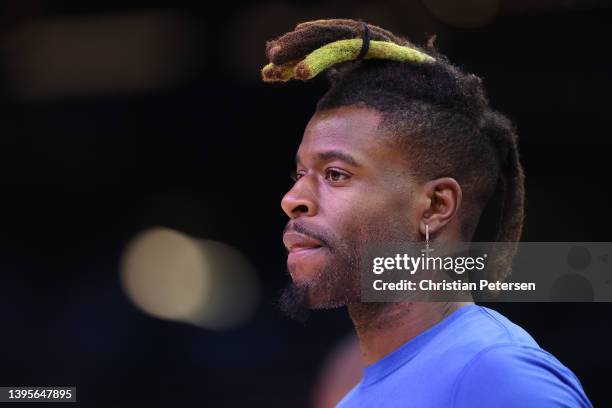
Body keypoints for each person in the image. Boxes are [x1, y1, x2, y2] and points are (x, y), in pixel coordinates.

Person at [264, 19, 592, 407]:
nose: (292, 198)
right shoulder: (352, 399)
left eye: (335, 174)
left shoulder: (498, 376)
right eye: (301, 174)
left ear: (436, 207)